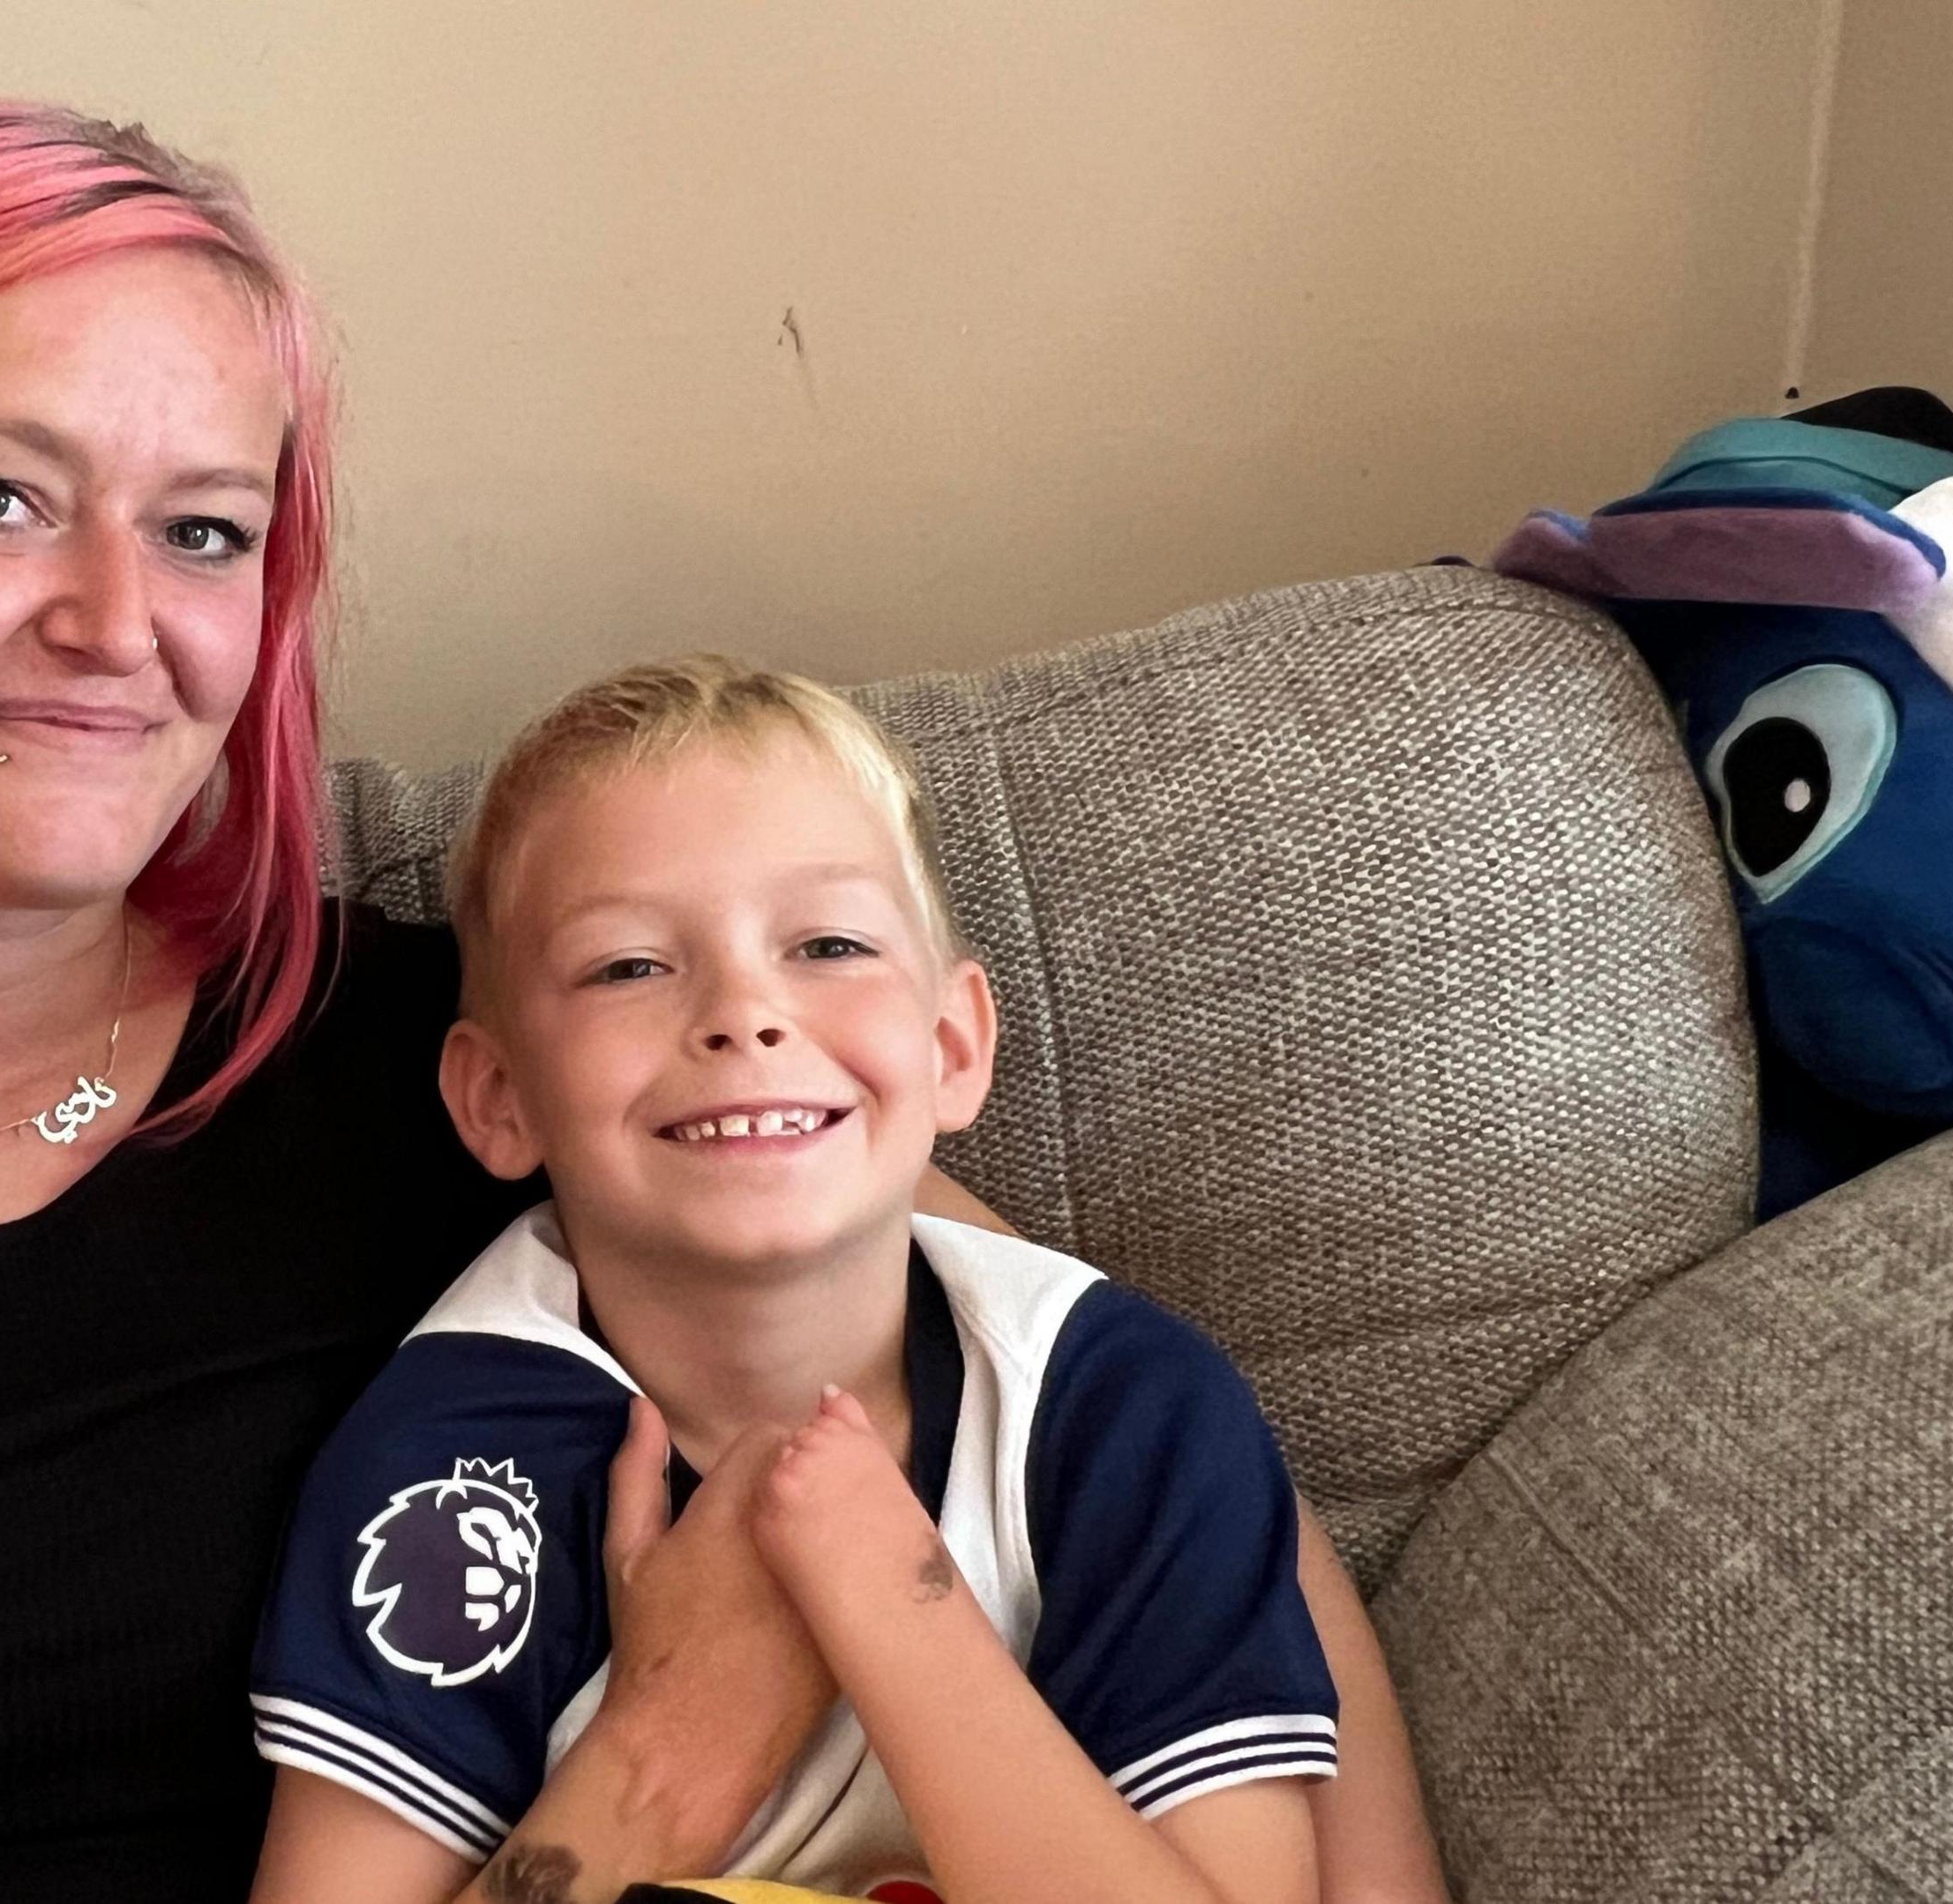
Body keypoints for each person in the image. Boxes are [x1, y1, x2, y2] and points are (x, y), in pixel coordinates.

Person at [0, 102, 1445, 1904]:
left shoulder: (492, 1065)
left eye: (205, 532)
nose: (111, 618)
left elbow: (1107, 1401)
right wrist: (650, 1772)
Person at [251, 659, 1347, 1904]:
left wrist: (897, 1601)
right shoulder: (446, 1470)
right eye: (628, 966)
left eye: (828, 944)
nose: (745, 1012)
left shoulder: (1123, 1412)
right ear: (499, 1098)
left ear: (952, 1047)